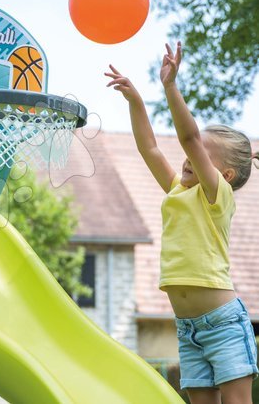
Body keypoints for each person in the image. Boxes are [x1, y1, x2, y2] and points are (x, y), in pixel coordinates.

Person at [105, 42, 259, 404]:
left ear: (224, 173)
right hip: (187, 327)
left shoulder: (216, 195)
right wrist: (136, 102)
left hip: (222, 323)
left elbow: (188, 137)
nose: (189, 157)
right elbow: (151, 149)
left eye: (200, 154)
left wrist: (171, 87)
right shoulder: (177, 189)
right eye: (191, 153)